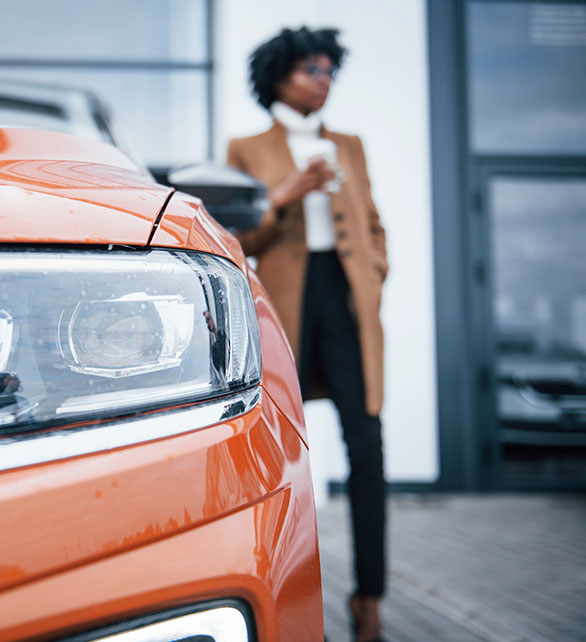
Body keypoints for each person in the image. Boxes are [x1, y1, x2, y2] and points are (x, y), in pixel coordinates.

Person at [226, 27, 388, 642]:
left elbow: (373, 224)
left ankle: (369, 598)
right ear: (279, 76)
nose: (323, 80)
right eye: (311, 70)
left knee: (367, 450)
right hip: (288, 308)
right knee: (288, 452)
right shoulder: (246, 147)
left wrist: (375, 271)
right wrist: (287, 193)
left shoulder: (350, 144)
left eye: (328, 71)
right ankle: (286, 592)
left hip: (348, 306)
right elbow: (242, 236)